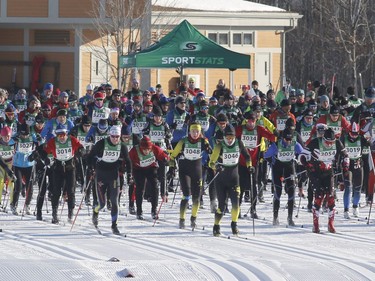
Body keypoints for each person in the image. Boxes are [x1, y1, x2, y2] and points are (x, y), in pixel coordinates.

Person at [30, 124, 84, 224]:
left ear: (66, 134)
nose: (61, 137)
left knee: (71, 191)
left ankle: (70, 214)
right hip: (58, 167)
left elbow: (80, 146)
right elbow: (43, 151)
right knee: (56, 192)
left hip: (70, 167)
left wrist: (81, 151)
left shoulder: (71, 140)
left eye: (63, 135)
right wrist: (45, 158)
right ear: (56, 135)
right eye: (59, 135)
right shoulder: (53, 141)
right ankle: (54, 214)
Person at [300, 128, 348, 233]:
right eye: (327, 142)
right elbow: (302, 156)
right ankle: (315, 224)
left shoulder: (337, 142)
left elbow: (345, 155)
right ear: (323, 138)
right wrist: (308, 165)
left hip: (328, 171)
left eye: (331, 142)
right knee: (319, 195)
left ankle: (331, 224)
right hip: (315, 172)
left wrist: (345, 167)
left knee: (330, 195)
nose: (330, 144)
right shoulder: (315, 142)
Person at [87, 126, 132, 235]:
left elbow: (128, 160)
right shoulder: (101, 143)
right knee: (102, 204)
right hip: (101, 175)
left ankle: (114, 226)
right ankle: (95, 212)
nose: (115, 139)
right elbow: (90, 157)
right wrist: (91, 169)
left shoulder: (122, 146)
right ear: (109, 135)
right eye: (113, 136)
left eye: (117, 137)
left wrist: (130, 174)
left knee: (114, 201)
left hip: (113, 175)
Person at [208, 124, 252, 236]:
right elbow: (211, 162)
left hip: (234, 178)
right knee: (222, 206)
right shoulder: (219, 146)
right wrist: (216, 166)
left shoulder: (239, 143)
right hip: (221, 179)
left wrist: (249, 166)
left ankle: (234, 224)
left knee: (236, 204)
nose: (229, 140)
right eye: (227, 137)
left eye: (231, 137)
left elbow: (247, 156)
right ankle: (216, 226)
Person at [168, 122, 212, 229]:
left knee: (196, 197)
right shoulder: (184, 141)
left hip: (197, 170)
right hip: (185, 170)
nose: (195, 133)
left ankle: (193, 218)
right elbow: (173, 155)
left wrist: (208, 148)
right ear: (189, 131)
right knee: (186, 195)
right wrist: (171, 167)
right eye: (193, 131)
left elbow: (211, 153)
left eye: (197, 131)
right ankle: (182, 219)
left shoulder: (203, 141)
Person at [235, 112, 276, 218]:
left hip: (254, 162)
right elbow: (230, 136)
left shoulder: (259, 129)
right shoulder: (240, 129)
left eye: (253, 121)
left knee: (253, 185)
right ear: (246, 121)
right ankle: (237, 209)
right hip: (241, 162)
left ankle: (253, 209)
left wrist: (277, 134)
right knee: (241, 186)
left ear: (255, 121)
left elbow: (271, 137)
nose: (250, 123)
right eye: (248, 121)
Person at [264, 127, 304, 226]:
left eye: (290, 140)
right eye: (286, 140)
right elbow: (266, 155)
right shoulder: (276, 145)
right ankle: (275, 217)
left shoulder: (295, 144)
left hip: (289, 168)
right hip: (277, 168)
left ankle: (290, 218)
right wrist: (271, 161)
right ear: (282, 138)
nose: (288, 142)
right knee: (278, 191)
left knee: (291, 191)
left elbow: (303, 154)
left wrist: (303, 162)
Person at [128, 136, 169, 220]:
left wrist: (166, 159)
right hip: (138, 169)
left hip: (151, 168)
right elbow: (128, 160)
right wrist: (127, 170)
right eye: (144, 149)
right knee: (140, 188)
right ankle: (139, 211)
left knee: (155, 186)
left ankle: (154, 210)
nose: (146, 151)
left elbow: (163, 155)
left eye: (148, 149)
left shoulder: (154, 148)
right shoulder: (134, 151)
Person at [341, 122, 369, 219]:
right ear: (349, 132)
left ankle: (355, 206)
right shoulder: (344, 139)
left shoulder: (361, 139)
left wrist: (370, 143)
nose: (354, 135)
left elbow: (370, 145)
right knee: (348, 187)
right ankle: (346, 209)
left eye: (356, 133)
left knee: (358, 188)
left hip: (358, 164)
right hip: (347, 165)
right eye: (352, 133)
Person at [0, 126, 17, 207]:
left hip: (10, 163)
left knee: (12, 182)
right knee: (0, 181)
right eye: (4, 136)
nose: (6, 138)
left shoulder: (14, 143)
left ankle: (12, 203)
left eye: (8, 136)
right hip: (1, 164)